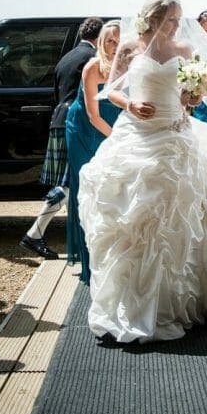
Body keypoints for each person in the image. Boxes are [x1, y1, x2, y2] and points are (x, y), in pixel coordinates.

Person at [77, 0, 207, 344]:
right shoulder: (130, 48)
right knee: (133, 213)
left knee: (181, 213)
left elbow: (188, 97)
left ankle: (181, 294)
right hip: (139, 133)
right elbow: (111, 92)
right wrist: (130, 102)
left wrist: (190, 98)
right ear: (153, 17)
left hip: (176, 134)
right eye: (169, 19)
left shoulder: (186, 50)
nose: (175, 25)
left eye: (177, 19)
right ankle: (135, 300)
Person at [19, 17, 104, 260]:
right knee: (68, 182)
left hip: (59, 118)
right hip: (76, 122)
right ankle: (34, 234)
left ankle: (78, 237)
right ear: (99, 38)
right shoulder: (91, 59)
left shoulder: (67, 57)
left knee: (71, 181)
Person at [65, 21, 121, 281]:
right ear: (101, 42)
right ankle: (89, 264)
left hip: (112, 129)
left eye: (120, 41)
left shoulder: (127, 67)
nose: (115, 46)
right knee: (87, 188)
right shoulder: (92, 67)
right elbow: (93, 114)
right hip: (85, 130)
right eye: (110, 41)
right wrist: (119, 139)